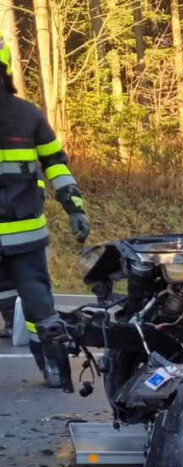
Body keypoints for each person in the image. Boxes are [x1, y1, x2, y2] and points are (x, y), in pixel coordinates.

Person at [0, 34, 89, 389]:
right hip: (27, 237)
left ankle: (55, 370)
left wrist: (74, 207)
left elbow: (56, 163)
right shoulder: (27, 114)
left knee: (40, 308)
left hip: (25, 237)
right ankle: (53, 370)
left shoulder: (29, 116)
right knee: (29, 304)